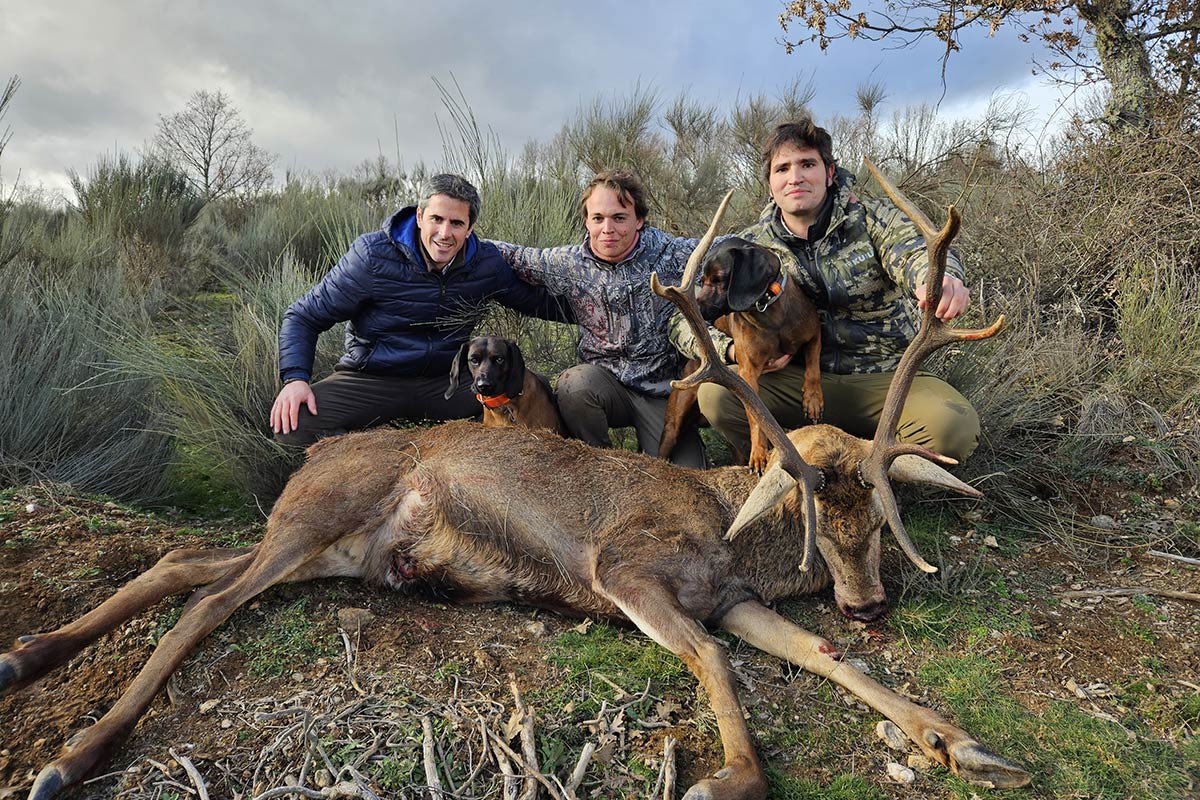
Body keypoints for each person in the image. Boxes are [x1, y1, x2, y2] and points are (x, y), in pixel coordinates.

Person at [670, 118, 980, 462]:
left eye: (807, 164)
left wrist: (940, 279)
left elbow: (915, 251)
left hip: (883, 377)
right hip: (794, 382)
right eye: (782, 168)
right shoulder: (749, 247)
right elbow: (683, 320)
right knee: (717, 396)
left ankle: (870, 474)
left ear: (829, 172)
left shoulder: (873, 219)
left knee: (953, 428)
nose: (795, 177)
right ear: (770, 183)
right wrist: (728, 350)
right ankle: (789, 468)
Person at [271, 173, 569, 446]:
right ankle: (377, 461)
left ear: (470, 228)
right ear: (419, 216)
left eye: (456, 223)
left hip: (447, 381)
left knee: (533, 384)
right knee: (293, 424)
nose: (444, 233)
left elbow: (535, 301)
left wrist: (596, 307)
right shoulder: (372, 256)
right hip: (373, 378)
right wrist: (295, 379)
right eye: (436, 219)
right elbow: (304, 317)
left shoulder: (485, 264)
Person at [492, 169, 707, 468]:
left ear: (639, 220)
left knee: (687, 480)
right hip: (604, 385)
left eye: (619, 218)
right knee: (573, 385)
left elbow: (732, 247)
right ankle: (603, 467)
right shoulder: (568, 264)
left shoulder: (671, 253)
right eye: (598, 218)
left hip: (664, 391)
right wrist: (454, 237)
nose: (608, 228)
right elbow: (510, 255)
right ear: (586, 221)